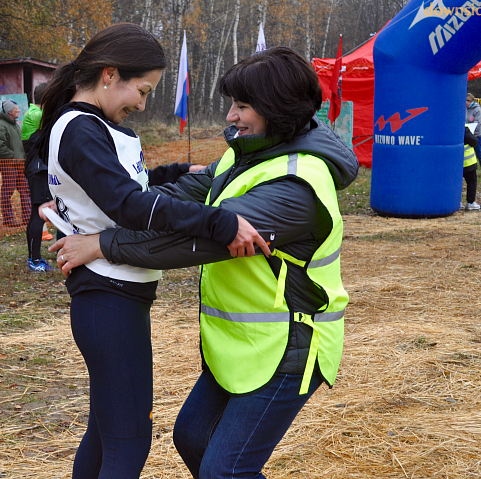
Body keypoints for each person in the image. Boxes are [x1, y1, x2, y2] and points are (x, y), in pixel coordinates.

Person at [48, 46, 358, 479]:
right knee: (192, 438)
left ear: (278, 110)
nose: (230, 116)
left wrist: (104, 243)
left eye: (242, 106)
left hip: (288, 347)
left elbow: (195, 243)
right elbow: (173, 199)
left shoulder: (297, 184)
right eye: (233, 103)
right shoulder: (245, 154)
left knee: (225, 470)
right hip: (240, 345)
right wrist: (87, 208)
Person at [35, 22, 269, 479]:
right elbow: (128, 204)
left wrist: (183, 170)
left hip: (112, 296)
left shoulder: (92, 126)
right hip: (109, 296)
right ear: (109, 75)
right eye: (141, 91)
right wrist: (219, 222)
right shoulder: (81, 127)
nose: (141, 105)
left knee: (105, 438)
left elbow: (128, 185)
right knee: (129, 444)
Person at [22, 82, 55, 272]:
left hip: (40, 168)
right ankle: (35, 260)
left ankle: (34, 258)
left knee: (38, 215)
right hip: (39, 169)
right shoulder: (36, 114)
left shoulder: (35, 113)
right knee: (38, 215)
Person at [0, 99, 31, 226]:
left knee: (25, 190)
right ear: (10, 112)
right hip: (9, 164)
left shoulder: (15, 125)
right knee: (8, 191)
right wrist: (14, 157)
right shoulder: (1, 125)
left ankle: (27, 217)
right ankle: (8, 219)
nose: (19, 110)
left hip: (19, 164)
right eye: (16, 109)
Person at [461, 126, 480, 210]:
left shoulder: (451, 128)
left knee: (457, 183)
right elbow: (474, 142)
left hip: (456, 164)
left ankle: (457, 202)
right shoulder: (464, 129)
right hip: (468, 163)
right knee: (472, 182)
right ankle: (470, 202)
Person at [466, 92, 481, 164]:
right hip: (468, 135)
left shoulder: (477, 110)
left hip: (477, 135)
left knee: (479, 155)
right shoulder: (464, 109)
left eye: (466, 101)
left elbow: (478, 122)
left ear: (470, 101)